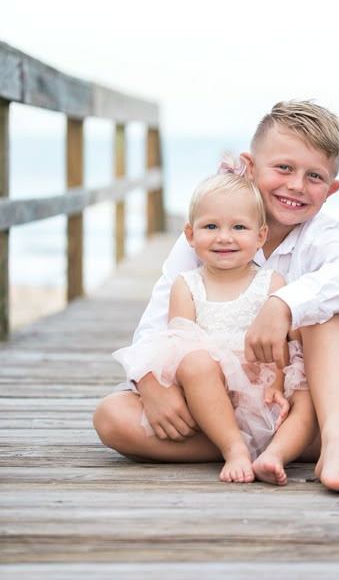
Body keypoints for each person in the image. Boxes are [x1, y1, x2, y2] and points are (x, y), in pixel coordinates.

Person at [94, 100, 339, 495]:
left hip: (277, 396)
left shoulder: (319, 235)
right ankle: (286, 444)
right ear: (250, 166)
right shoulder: (211, 231)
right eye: (283, 167)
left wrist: (283, 304)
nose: (296, 185)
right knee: (112, 417)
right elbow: (157, 325)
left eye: (314, 176)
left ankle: (335, 440)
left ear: (331, 189)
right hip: (210, 399)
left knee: (324, 313)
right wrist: (150, 383)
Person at [111, 173, 317, 484]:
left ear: (260, 236)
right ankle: (235, 446)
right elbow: (174, 348)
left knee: (308, 399)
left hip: (260, 399)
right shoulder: (187, 285)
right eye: (211, 227)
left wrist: (275, 383)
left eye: (238, 227)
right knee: (113, 413)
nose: (224, 237)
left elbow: (281, 347)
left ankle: (276, 444)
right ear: (190, 235)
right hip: (206, 400)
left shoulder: (271, 283)